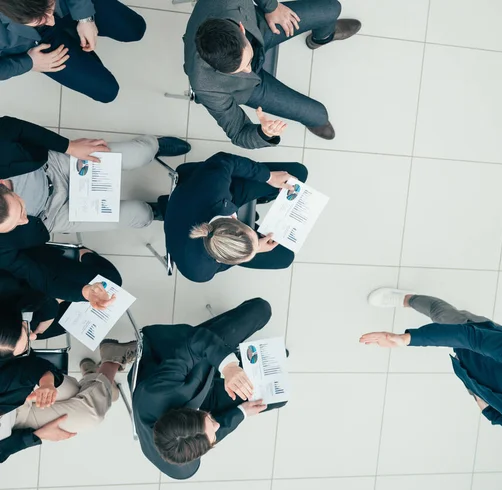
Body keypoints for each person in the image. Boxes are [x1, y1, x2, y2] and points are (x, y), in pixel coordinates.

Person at [360, 290, 502, 448]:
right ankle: (407, 298)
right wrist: (406, 339)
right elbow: (470, 338)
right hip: (480, 341)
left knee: (447, 330)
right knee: (443, 315)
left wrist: (485, 407)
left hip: (477, 382)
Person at [130, 298, 286, 479]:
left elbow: (193, 343)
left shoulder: (157, 392)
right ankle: (246, 362)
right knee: (276, 397)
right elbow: (208, 435)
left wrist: (227, 365)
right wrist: (241, 412)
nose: (217, 424)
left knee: (261, 310)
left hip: (180, 361)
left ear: (190, 412)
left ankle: (232, 358)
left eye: (211, 421)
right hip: (199, 395)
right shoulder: (184, 464)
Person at [184, 0, 361, 149]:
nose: (248, 70)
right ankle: (314, 117)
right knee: (319, 115)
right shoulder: (205, 85)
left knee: (331, 8)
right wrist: (263, 133)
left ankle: (322, 38)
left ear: (241, 29)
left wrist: (271, 6)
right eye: (239, 70)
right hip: (247, 88)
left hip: (259, 27)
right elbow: (238, 133)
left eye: (246, 63)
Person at [0, 115, 191, 234]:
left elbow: (11, 127)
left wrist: (70, 147)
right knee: (139, 215)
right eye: (15, 224)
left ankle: (154, 147)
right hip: (52, 215)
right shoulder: (26, 222)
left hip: (51, 166)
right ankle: (155, 210)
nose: (24, 222)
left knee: (139, 154)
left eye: (20, 212)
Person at [0, 307, 137, 463]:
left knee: (72, 389)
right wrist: (36, 436)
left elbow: (21, 367)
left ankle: (104, 380)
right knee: (91, 415)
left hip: (16, 395)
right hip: (16, 426)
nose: (32, 337)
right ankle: (108, 366)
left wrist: (46, 380)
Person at [164, 151, 307, 283]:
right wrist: (255, 248)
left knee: (296, 176)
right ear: (220, 260)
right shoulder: (200, 272)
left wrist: (269, 177)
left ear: (234, 219)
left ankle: (263, 196)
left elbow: (224, 160)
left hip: (202, 194)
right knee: (285, 258)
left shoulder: (214, 187)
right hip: (189, 217)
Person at [0, 0, 146, 103]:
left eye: (49, 6)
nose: (51, 21)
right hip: (34, 46)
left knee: (135, 29)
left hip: (67, 4)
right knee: (107, 91)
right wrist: (29, 62)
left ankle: (71, 31)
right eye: (41, 20)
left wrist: (85, 17)